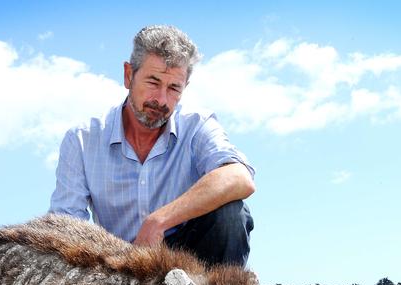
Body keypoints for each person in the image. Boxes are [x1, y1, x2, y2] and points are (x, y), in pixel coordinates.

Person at [49, 25, 255, 267]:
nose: (161, 100)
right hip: (116, 269)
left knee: (231, 214)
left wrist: (158, 221)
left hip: (189, 263)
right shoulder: (81, 140)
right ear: (129, 75)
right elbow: (64, 227)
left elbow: (239, 177)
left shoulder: (197, 125)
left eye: (173, 88)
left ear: (184, 88)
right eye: (153, 82)